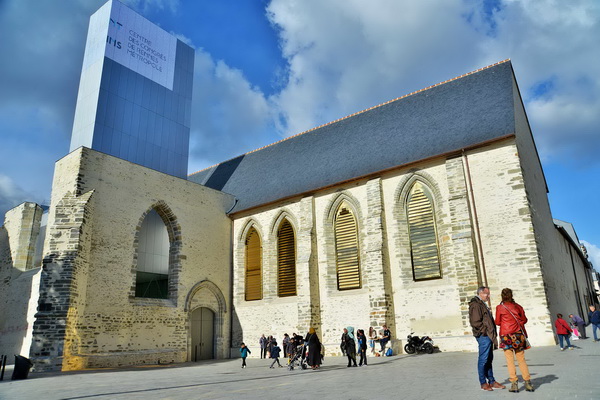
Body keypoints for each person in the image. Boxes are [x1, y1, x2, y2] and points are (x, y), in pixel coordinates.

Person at [495, 288, 534, 392]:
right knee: (521, 359)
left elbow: (498, 322)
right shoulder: (518, 306)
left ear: (502, 296)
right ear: (512, 295)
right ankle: (528, 382)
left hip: (506, 335)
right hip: (517, 335)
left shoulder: (500, 307)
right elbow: (524, 320)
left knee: (509, 360)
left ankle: (514, 384)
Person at [469, 286, 505, 391]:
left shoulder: (481, 303)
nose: (488, 296)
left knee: (489, 359)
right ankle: (483, 383)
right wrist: (484, 332)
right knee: (483, 360)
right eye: (486, 294)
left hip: (488, 335)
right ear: (480, 293)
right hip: (484, 336)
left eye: (488, 294)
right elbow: (475, 322)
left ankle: (492, 381)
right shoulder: (476, 304)